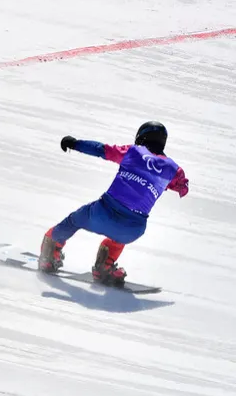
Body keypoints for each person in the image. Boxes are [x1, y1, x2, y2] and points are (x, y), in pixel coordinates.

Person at [39, 121, 189, 285]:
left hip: (101, 214)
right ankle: (104, 268)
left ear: (142, 137)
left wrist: (74, 143)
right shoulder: (173, 170)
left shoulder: (133, 152)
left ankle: (49, 254)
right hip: (133, 229)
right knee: (118, 236)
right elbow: (183, 188)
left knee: (74, 220)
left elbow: (100, 150)